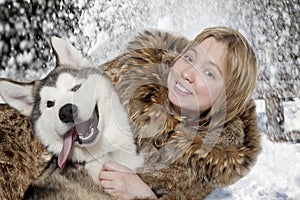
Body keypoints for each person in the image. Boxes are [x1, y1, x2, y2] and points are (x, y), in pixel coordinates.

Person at [98, 26, 261, 199]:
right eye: (189, 57)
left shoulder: (204, 162)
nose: (188, 73)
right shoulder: (131, 76)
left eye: (208, 73)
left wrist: (143, 194)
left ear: (228, 99)